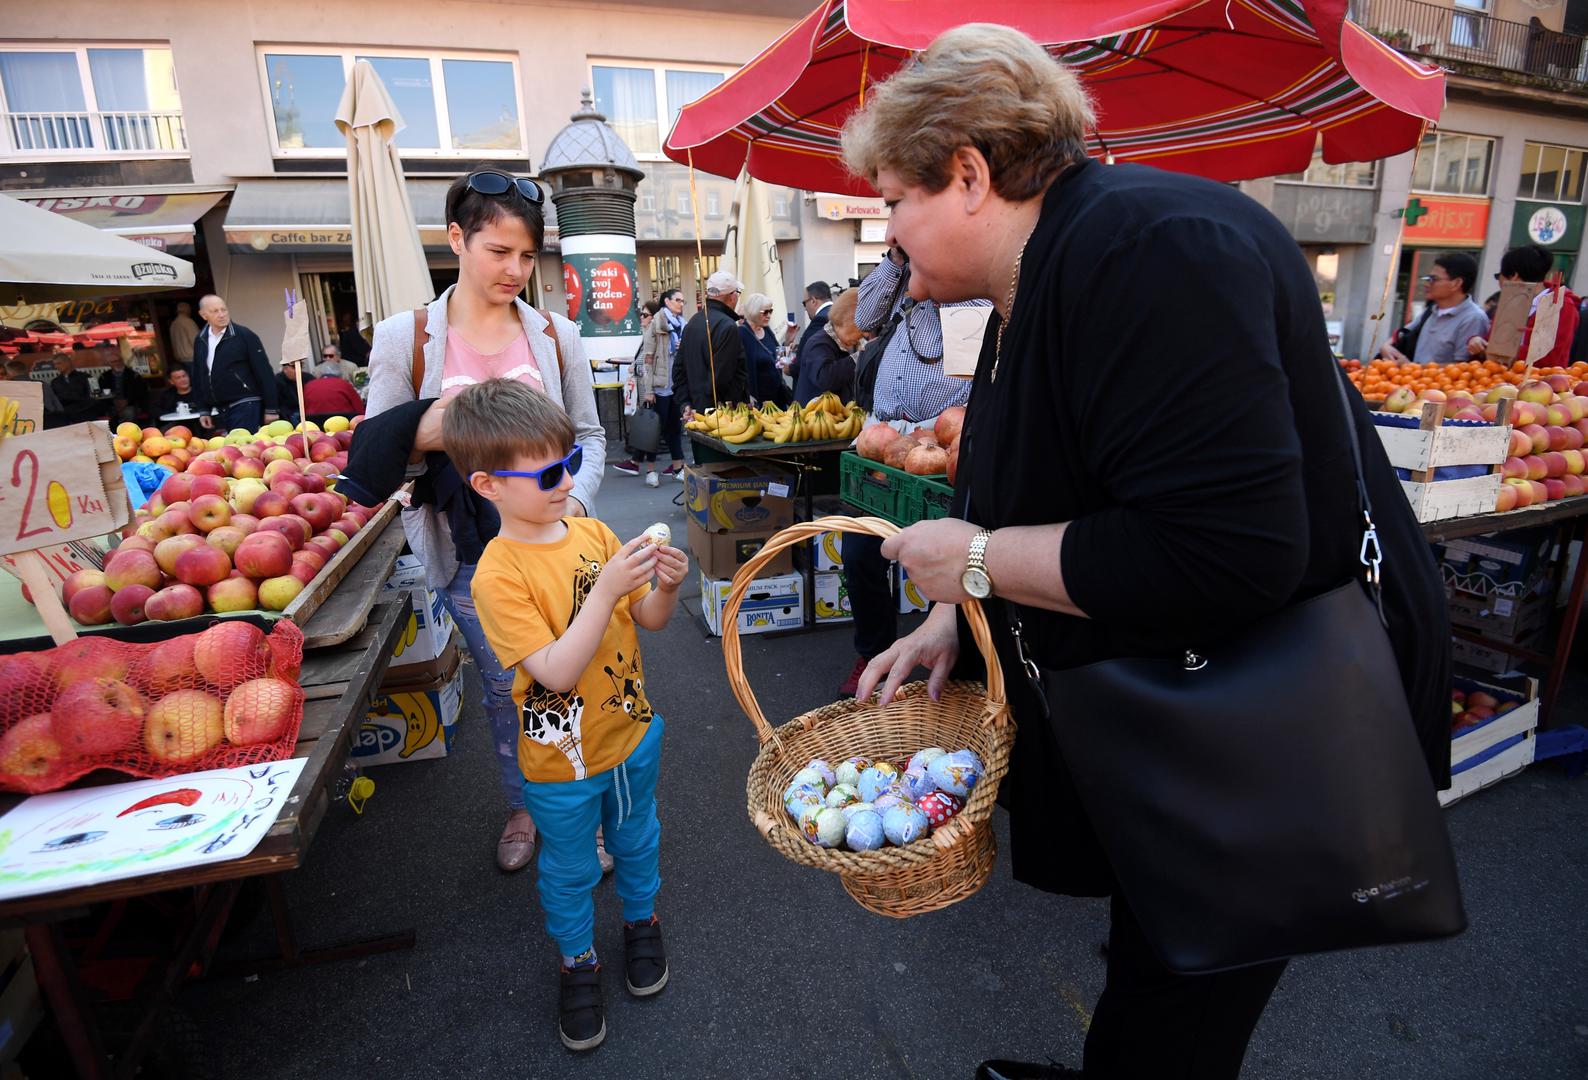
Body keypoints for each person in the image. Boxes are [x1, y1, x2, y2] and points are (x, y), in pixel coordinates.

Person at [841, 25, 1451, 1080]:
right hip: (1180, 708)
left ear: (971, 174)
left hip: (1257, 723)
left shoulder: (1148, 248)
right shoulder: (1056, 265)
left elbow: (1222, 552)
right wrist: (951, 612)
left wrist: (977, 563)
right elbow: (1048, 478)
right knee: (1165, 946)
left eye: (893, 197)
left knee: (1188, 997)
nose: (887, 229)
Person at [365, 168, 606, 876]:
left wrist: (578, 507)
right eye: (499, 251)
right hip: (471, 554)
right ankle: (526, 803)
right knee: (511, 689)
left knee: (575, 677)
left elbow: (588, 437)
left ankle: (578, 808)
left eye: (528, 256)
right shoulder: (404, 340)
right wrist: (427, 436)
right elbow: (382, 454)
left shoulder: (556, 335)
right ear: (456, 240)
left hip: (559, 547)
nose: (516, 270)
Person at [446, 378, 686, 1053]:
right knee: (572, 867)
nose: (565, 480)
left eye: (569, 462)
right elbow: (552, 671)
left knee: (638, 838)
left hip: (632, 733)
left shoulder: (595, 532)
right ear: (488, 485)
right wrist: (606, 586)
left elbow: (649, 620)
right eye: (548, 471)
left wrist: (666, 587)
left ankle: (641, 920)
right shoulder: (497, 575)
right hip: (560, 763)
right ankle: (578, 959)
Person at [836, 250, 991, 696]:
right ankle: (872, 652)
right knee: (861, 554)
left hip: (940, 445)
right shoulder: (903, 290)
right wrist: (896, 259)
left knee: (944, 554)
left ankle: (949, 650)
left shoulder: (977, 304)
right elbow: (864, 315)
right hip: (880, 439)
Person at [1377, 253, 1489, 365]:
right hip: (1411, 379)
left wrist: (1412, 367)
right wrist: (1386, 346)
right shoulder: (1432, 310)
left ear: (1456, 283)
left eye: (1433, 279)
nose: (1426, 284)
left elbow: (1463, 367)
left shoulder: (1473, 318)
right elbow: (1404, 333)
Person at [191, 294, 279, 432]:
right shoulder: (200, 339)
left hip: (246, 402)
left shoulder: (244, 335)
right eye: (215, 311)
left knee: (242, 448)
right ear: (203, 315)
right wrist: (203, 410)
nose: (221, 314)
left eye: (223, 309)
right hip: (219, 408)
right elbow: (198, 375)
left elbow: (264, 372)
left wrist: (271, 408)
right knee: (228, 450)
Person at [627, 295, 687, 486]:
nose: (681, 303)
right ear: (667, 302)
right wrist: (649, 390)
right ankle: (651, 471)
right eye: (678, 299)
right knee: (654, 429)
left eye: (683, 300)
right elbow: (648, 360)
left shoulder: (682, 325)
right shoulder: (657, 324)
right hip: (659, 387)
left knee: (674, 429)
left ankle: (678, 468)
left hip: (675, 386)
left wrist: (681, 346)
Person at [673, 270, 748, 418]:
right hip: (721, 417)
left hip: (696, 412)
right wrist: (702, 410)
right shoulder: (728, 326)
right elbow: (720, 378)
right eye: (737, 293)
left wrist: (686, 404)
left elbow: (678, 370)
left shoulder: (693, 322)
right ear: (732, 296)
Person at [789, 287, 859, 403]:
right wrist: (859, 358)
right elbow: (824, 377)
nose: (865, 333)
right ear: (847, 320)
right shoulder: (819, 342)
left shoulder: (847, 342)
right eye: (861, 327)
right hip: (816, 416)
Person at [738, 291, 792, 408]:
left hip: (777, 398)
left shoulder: (767, 330)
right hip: (758, 401)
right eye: (765, 312)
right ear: (754, 311)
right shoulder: (742, 334)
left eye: (770, 311)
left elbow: (779, 363)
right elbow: (741, 370)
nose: (769, 315)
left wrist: (787, 342)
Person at [48, 352, 100, 425]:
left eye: (59, 363)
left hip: (86, 413)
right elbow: (55, 400)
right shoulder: (55, 382)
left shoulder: (85, 377)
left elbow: (95, 395)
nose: (56, 366)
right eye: (55, 364)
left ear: (68, 363)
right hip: (66, 415)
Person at [97, 351, 147, 422]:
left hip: (130, 404)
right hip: (111, 404)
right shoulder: (104, 377)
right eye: (113, 362)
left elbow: (141, 392)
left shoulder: (133, 375)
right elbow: (102, 393)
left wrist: (127, 401)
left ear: (122, 361)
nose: (117, 363)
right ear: (109, 364)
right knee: (106, 414)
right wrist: (114, 402)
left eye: (118, 360)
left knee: (129, 413)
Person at [797, 281, 833, 354]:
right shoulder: (839, 313)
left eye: (804, 303)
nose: (805, 308)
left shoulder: (820, 320)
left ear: (813, 301)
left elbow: (807, 353)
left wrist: (788, 365)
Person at [168, 301, 198, 366]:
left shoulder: (173, 324)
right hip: (192, 358)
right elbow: (196, 340)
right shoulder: (188, 322)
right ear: (187, 310)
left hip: (180, 360)